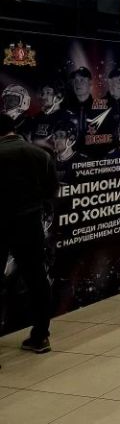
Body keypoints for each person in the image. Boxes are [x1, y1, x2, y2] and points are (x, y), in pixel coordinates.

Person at [0, 113, 58, 354]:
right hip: (30, 222)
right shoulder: (39, 154)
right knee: (36, 277)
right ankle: (41, 335)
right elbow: (51, 190)